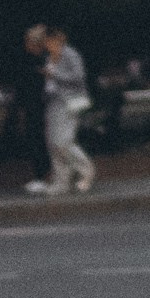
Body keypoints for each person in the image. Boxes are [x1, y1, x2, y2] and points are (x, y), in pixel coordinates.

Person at [41, 26, 95, 194]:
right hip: (53, 101)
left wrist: (54, 74)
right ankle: (61, 181)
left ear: (56, 39)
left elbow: (79, 76)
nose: (46, 44)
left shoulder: (70, 54)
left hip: (69, 101)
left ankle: (86, 169)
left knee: (63, 141)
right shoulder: (50, 57)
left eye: (48, 41)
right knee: (53, 143)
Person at [16, 24, 53, 194]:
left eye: (28, 42)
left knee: (43, 141)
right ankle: (41, 175)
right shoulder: (29, 60)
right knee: (34, 140)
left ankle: (45, 175)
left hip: (43, 105)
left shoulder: (47, 60)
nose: (26, 45)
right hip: (33, 106)